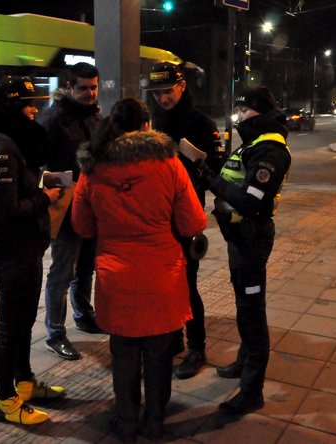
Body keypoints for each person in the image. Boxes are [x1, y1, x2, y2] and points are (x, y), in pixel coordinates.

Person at [72, 98, 208, 442]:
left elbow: (82, 226)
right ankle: (154, 420)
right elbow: (194, 220)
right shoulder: (169, 163)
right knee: (160, 354)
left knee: (124, 353)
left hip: (115, 276)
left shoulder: (94, 168)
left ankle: (127, 419)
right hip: (161, 274)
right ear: (147, 126)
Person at [0, 76, 66, 425]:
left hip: (25, 249)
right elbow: (6, 210)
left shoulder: (9, 141)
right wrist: (46, 197)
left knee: (24, 321)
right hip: (11, 252)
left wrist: (40, 186)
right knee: (10, 328)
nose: (34, 110)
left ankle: (23, 383)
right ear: (10, 107)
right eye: (27, 104)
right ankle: (6, 402)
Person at [198, 86, 291, 415]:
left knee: (252, 312)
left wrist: (210, 179)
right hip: (239, 237)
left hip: (252, 238)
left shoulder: (270, 150)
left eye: (244, 111)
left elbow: (251, 201)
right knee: (243, 305)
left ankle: (252, 392)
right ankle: (243, 362)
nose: (239, 116)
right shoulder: (255, 142)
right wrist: (213, 163)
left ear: (259, 112)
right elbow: (237, 174)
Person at [144, 62, 225, 380]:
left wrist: (195, 159)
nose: (162, 98)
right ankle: (173, 336)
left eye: (167, 92)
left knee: (188, 284)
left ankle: (197, 347)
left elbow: (218, 169)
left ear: (181, 87)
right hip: (156, 216)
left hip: (186, 215)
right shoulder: (151, 123)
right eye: (157, 93)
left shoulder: (202, 123)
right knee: (164, 283)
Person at [37, 62, 105, 361]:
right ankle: (55, 334)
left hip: (91, 207)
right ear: (68, 87)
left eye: (94, 87)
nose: (90, 93)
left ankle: (83, 315)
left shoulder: (94, 115)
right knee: (62, 272)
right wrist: (67, 184)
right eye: (83, 88)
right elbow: (37, 167)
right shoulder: (51, 120)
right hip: (64, 209)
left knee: (86, 266)